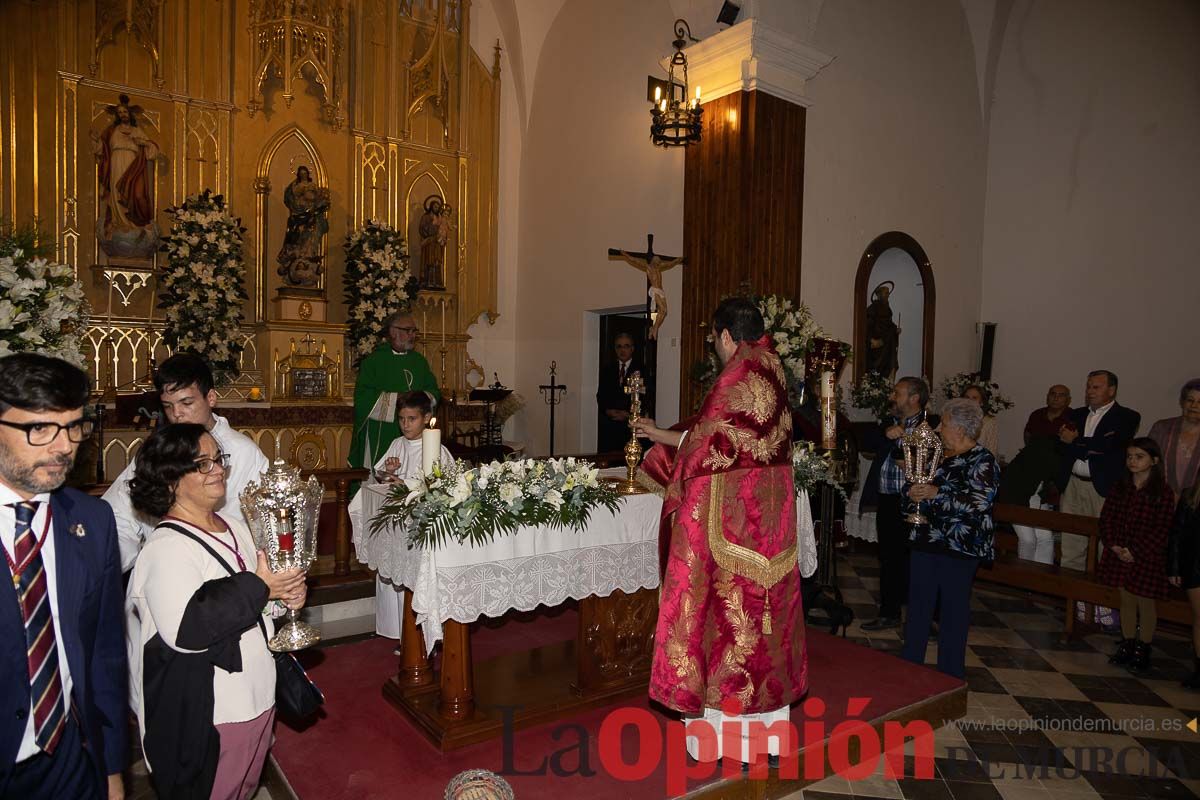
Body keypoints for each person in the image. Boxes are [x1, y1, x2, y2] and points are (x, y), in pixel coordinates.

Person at [633, 297, 805, 766]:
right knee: (762, 636)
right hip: (769, 528)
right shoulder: (772, 366)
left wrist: (666, 474)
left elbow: (700, 457)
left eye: (713, 338)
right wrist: (665, 437)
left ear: (726, 335)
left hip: (729, 529)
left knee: (724, 627)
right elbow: (728, 442)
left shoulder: (736, 374)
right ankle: (765, 739)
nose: (714, 346)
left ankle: (719, 742)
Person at [125, 423, 307, 799]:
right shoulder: (166, 549)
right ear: (171, 480)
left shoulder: (236, 527)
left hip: (257, 698)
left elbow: (259, 603)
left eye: (218, 459)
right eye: (202, 464)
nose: (219, 470)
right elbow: (188, 630)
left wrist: (284, 597)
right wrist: (261, 587)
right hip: (215, 715)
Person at [0, 353, 126, 800]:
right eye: (39, 428)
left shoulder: (93, 521)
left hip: (71, 760)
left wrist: (112, 769)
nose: (63, 446)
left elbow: (104, 656)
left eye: (73, 426)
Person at [102, 352, 270, 572]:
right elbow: (120, 516)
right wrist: (104, 569)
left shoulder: (244, 453)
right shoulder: (159, 451)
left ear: (210, 398)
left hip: (224, 576)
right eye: (168, 406)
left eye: (186, 403)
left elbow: (262, 530)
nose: (177, 414)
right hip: (164, 563)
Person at [900, 399, 999, 679]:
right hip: (926, 540)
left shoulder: (983, 461)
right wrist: (913, 495)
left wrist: (935, 494)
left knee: (953, 612)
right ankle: (909, 666)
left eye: (943, 423)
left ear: (959, 428)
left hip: (959, 547)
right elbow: (916, 486)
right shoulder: (937, 455)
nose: (938, 428)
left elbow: (979, 504)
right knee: (918, 606)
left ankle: (950, 674)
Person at [359, 392, 452, 642]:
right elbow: (379, 476)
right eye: (401, 419)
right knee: (393, 572)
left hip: (420, 528)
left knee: (414, 579)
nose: (405, 424)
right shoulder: (398, 444)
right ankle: (396, 631)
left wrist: (405, 483)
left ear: (427, 418)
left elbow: (441, 487)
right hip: (395, 526)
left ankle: (417, 637)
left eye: (411, 419)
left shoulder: (437, 450)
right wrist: (388, 472)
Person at [859, 376, 938, 631]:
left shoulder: (933, 425)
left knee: (919, 559)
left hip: (916, 501)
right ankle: (889, 613)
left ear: (914, 398)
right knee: (889, 557)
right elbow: (866, 443)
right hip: (888, 499)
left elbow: (937, 462)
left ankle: (925, 619)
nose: (893, 397)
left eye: (898, 393)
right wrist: (886, 434)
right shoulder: (889, 422)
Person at [1096, 438, 1175, 674]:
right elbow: (1107, 518)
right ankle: (1127, 643)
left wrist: (1136, 551)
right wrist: (1114, 546)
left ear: (1154, 460)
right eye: (1129, 456)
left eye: (1139, 456)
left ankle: (1144, 648)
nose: (1133, 461)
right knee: (1126, 600)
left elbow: (1163, 528)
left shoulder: (1162, 492)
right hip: (1120, 552)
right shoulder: (1120, 487)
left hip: (1146, 556)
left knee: (1145, 602)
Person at [1056, 370, 1141, 571]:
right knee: (1071, 544)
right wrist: (1087, 446)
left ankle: (1103, 599)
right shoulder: (1076, 414)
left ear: (1112, 390)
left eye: (1096, 387)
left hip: (1104, 488)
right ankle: (1071, 597)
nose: (1090, 391)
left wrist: (1076, 442)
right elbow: (1061, 445)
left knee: (1107, 546)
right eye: (1088, 386)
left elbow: (1108, 446)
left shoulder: (1127, 416)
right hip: (1073, 484)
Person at [348, 311, 441, 473]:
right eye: (408, 330)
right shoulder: (374, 361)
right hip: (382, 430)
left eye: (414, 331)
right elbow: (363, 398)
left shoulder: (419, 361)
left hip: (416, 429)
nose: (412, 335)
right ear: (392, 332)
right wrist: (397, 399)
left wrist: (417, 400)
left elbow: (434, 391)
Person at [1168, 481, 1200, 688]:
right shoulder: (1190, 497)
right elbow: (1177, 534)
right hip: (1196, 566)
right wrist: (1174, 567)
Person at [1149, 378, 1200, 496]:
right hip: (1161, 500)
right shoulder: (1161, 428)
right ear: (1182, 402)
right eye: (1190, 400)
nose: (1194, 406)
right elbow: (1146, 465)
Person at [596, 333, 644, 453]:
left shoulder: (641, 369)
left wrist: (628, 413)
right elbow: (601, 395)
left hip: (629, 425)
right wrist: (607, 410)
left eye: (626, 346)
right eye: (619, 346)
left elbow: (646, 396)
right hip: (609, 425)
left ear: (632, 349)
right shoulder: (607, 369)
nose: (622, 350)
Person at [864, 281, 900, 380]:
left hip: (888, 342)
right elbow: (867, 325)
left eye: (888, 293)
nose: (888, 295)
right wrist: (871, 340)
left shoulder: (888, 309)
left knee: (888, 364)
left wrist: (895, 329)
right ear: (879, 294)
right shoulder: (872, 308)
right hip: (877, 344)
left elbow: (889, 324)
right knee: (875, 366)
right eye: (886, 293)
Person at [962, 385, 999, 456]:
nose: (969, 401)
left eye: (974, 398)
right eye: (967, 397)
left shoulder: (989, 422)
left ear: (981, 402)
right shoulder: (953, 416)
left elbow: (992, 451)